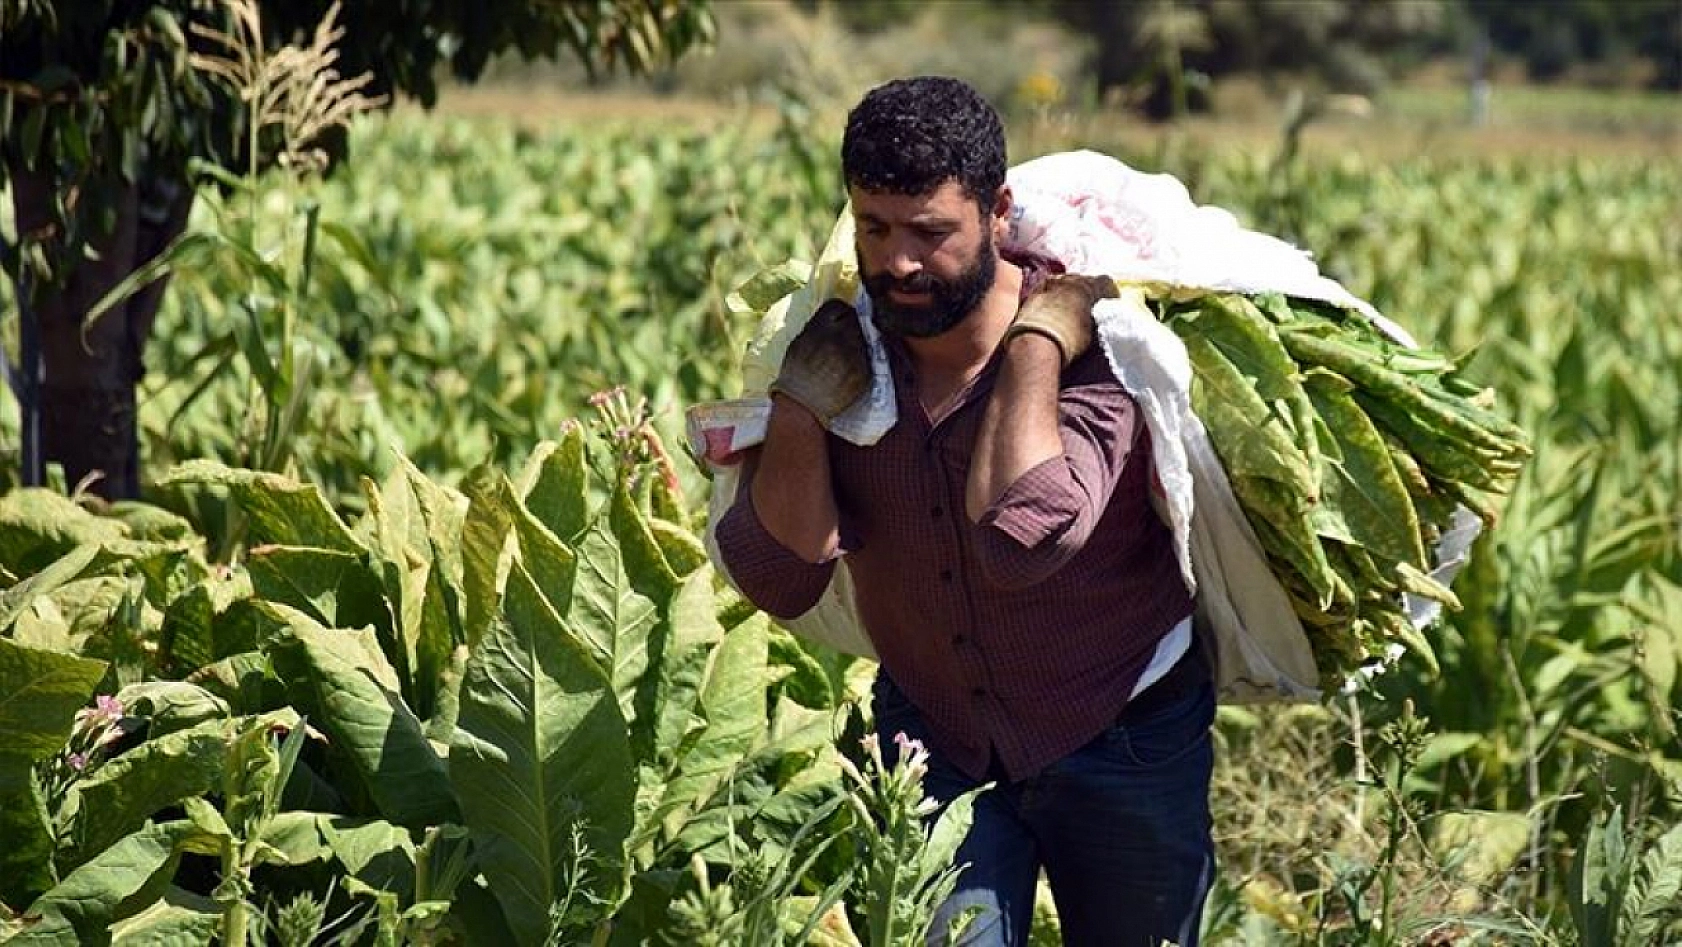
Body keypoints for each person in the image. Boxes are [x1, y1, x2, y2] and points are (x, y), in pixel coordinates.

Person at [713, 75, 1215, 947]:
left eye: (931, 232)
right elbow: (781, 578)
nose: (899, 262)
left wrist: (1034, 345)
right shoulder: (842, 350)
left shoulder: (1100, 349)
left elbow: (1022, 537)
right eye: (874, 228)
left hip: (1124, 733)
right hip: (932, 741)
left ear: (997, 213)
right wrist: (797, 408)